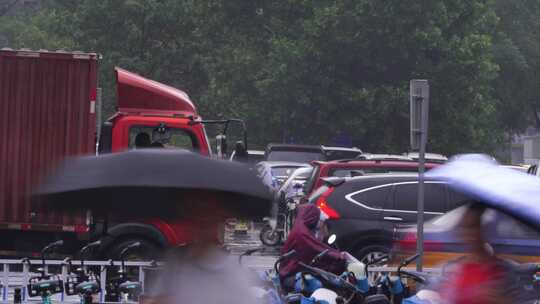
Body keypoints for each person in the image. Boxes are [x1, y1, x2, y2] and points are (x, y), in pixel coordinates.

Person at [279, 204, 346, 291]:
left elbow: (316, 246)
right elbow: (315, 248)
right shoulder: (302, 233)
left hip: (291, 268)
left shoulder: (301, 227)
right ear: (311, 216)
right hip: (292, 272)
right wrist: (337, 255)